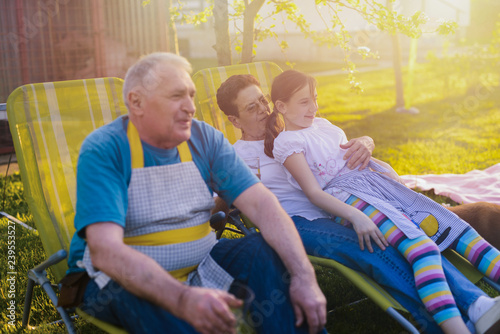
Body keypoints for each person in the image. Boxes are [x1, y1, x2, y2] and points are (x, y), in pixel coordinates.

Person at [216, 73, 500, 334]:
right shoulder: (237, 156)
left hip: (347, 202)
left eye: (262, 101)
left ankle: (475, 303)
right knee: (377, 245)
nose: (263, 110)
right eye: (251, 108)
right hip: (302, 221)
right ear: (235, 121)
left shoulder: (297, 127)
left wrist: (366, 141)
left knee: (411, 237)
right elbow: (219, 201)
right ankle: (451, 323)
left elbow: (340, 152)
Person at [64, 53, 327, 334]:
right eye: (177, 96)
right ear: (136, 102)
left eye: (190, 95)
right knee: (174, 315)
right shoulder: (105, 149)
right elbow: (106, 252)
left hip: (201, 263)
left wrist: (304, 276)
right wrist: (182, 298)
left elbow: (263, 205)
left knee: (261, 249)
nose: (190, 107)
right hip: (120, 280)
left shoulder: (205, 138)